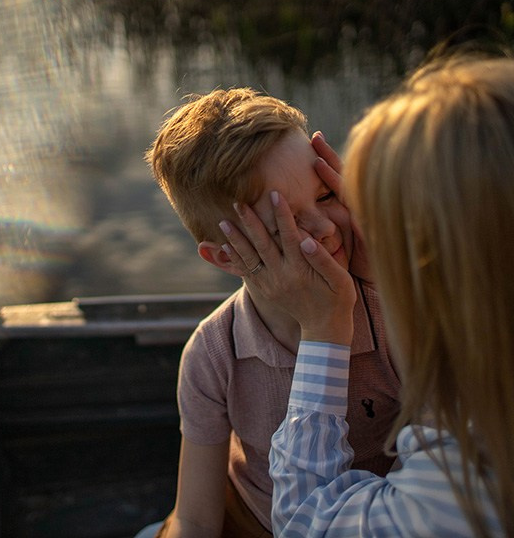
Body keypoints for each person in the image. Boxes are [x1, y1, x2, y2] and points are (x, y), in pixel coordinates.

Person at [220, 56, 514, 536]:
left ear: (465, 288)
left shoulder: (474, 490)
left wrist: (323, 328)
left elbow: (305, 521)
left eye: (395, 243)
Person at [135, 88, 402, 538]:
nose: (325, 229)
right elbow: (197, 517)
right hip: (253, 518)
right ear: (225, 257)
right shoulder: (213, 354)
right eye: (285, 224)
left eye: (324, 196)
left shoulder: (395, 314)